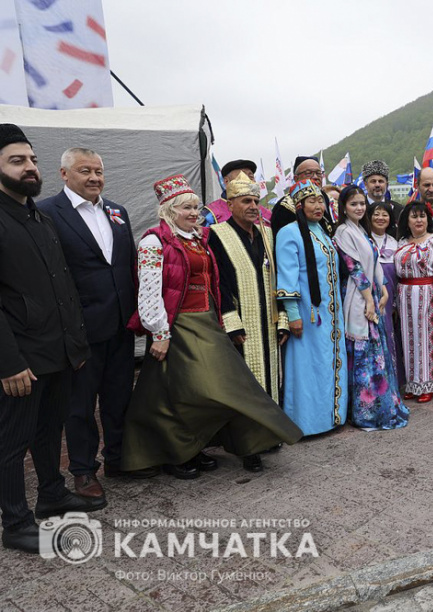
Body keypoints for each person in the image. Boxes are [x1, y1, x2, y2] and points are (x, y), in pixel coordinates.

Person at [121, 175, 301, 480]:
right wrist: (160, 333)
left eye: (195, 207)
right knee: (182, 393)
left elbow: (212, 285)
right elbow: (148, 291)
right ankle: (175, 453)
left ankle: (204, 445)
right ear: (167, 209)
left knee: (212, 387)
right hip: (178, 324)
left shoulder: (198, 238)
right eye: (185, 208)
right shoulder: (154, 241)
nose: (193, 213)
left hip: (205, 320)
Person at [0, 124, 99, 554]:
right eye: (16, 160)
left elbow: (62, 287)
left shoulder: (38, 216)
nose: (29, 168)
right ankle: (15, 522)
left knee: (48, 432)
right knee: (11, 442)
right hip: (19, 359)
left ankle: (52, 496)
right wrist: (6, 363)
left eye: (33, 159)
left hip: (57, 352)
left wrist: (74, 346)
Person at [37, 148, 141, 502]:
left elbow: (124, 268)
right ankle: (83, 471)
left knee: (118, 397)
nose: (95, 177)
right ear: (64, 174)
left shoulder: (117, 211)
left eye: (99, 170)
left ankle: (118, 456)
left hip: (120, 326)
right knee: (79, 406)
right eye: (85, 171)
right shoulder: (47, 213)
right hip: (78, 330)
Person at [208, 173, 289, 472]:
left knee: (271, 379)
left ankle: (268, 435)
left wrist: (282, 318)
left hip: (269, 321)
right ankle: (247, 447)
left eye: (256, 200)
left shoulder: (267, 234)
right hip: (242, 323)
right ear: (230, 204)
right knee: (246, 384)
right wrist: (232, 322)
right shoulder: (218, 235)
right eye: (246, 201)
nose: (254, 206)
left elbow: (279, 278)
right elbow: (219, 284)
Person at [275, 180, 349, 435]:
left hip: (331, 313)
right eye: (312, 201)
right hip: (307, 313)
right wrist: (293, 315)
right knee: (307, 366)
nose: (319, 206)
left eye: (321, 201)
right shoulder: (289, 232)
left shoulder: (323, 230)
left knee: (328, 362)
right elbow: (287, 276)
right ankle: (306, 423)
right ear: (299, 205)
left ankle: (331, 417)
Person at [334, 185, 409, 430]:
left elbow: (374, 262)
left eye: (361, 203)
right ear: (344, 207)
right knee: (364, 354)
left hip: (372, 294)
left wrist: (384, 288)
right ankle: (366, 411)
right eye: (353, 204)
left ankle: (382, 405)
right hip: (358, 296)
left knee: (378, 353)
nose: (359, 208)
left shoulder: (361, 231)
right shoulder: (344, 232)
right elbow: (353, 267)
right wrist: (368, 299)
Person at [395, 200, 433, 402]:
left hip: (429, 294)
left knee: (428, 340)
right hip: (405, 296)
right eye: (414, 216)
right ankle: (414, 382)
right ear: (407, 220)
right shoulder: (402, 242)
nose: (419, 220)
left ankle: (429, 382)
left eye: (422, 216)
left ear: (428, 219)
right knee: (409, 340)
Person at [367, 201, 405, 387]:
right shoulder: (364, 238)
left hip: (390, 294)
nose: (380, 218)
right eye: (376, 214)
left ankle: (393, 382)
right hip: (369, 293)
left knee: (389, 333)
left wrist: (396, 303)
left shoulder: (395, 241)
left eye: (384, 214)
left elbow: (398, 275)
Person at [272, 156, 333, 239]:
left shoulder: (325, 197)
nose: (315, 177)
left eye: (318, 173)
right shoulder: (284, 206)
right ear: (296, 178)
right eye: (309, 173)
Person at [202, 159, 272, 227]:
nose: (247, 181)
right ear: (226, 181)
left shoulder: (266, 214)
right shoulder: (212, 213)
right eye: (242, 176)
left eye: (251, 177)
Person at [362, 160, 402, 237]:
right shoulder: (359, 209)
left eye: (381, 181)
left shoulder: (398, 210)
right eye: (373, 181)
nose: (377, 185)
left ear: (387, 184)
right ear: (365, 184)